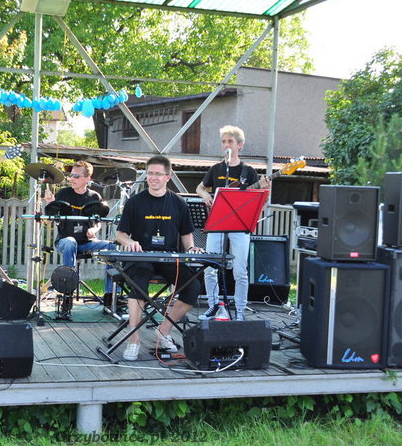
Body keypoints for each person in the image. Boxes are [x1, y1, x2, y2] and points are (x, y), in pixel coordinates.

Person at [115, 155, 203, 361]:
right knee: (138, 286)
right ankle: (134, 340)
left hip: (169, 259)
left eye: (158, 174)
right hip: (140, 258)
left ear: (167, 177)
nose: (153, 178)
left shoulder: (179, 203)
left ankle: (163, 332)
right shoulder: (135, 202)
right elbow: (120, 234)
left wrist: (191, 248)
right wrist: (129, 242)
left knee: (193, 287)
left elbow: (186, 234)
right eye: (150, 173)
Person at [196, 125, 269, 321]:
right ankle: (213, 306)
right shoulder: (216, 169)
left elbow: (257, 201)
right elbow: (200, 187)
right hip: (217, 222)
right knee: (210, 267)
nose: (226, 145)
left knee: (240, 270)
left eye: (230, 141)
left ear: (239, 145)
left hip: (240, 225)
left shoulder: (249, 171)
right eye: (223, 142)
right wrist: (205, 195)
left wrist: (266, 190)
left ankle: (240, 310)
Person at [44, 160, 115, 306]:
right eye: (71, 176)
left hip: (87, 243)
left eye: (76, 176)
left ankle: (111, 296)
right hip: (65, 241)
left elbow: (99, 222)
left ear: (87, 179)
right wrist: (50, 204)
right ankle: (67, 294)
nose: (72, 179)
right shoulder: (63, 194)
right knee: (70, 241)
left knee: (112, 247)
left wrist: (94, 230)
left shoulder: (95, 197)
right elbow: (48, 222)